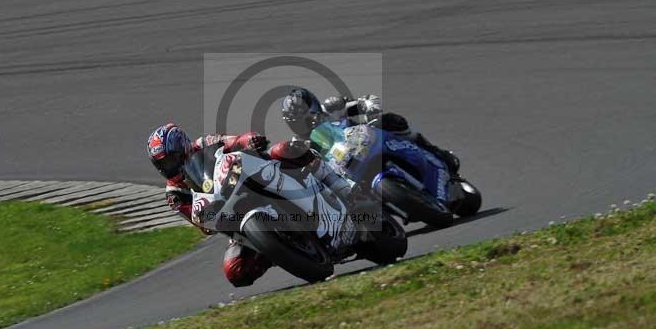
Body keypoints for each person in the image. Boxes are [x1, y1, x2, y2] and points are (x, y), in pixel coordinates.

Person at [147, 122, 361, 287]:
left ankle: (342, 186)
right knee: (235, 272)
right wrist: (204, 215)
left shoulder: (205, 143)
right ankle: (282, 252)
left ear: (181, 147)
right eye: (162, 164)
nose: (168, 166)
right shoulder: (174, 194)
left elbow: (236, 141)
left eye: (170, 159)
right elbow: (200, 223)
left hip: (248, 178)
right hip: (233, 218)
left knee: (284, 149)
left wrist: (250, 141)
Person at [280, 88, 461, 175]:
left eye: (307, 117)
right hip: (346, 167)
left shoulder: (331, 107)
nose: (305, 125)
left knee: (391, 120)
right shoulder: (298, 144)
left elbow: (366, 100)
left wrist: (371, 108)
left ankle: (434, 151)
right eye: (297, 123)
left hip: (365, 141)